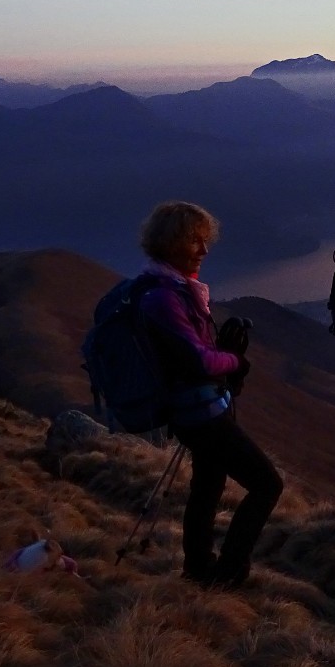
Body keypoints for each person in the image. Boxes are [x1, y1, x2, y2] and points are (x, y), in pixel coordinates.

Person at [136, 200, 282, 588]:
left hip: (197, 408)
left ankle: (199, 569)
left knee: (208, 486)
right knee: (267, 484)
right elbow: (198, 361)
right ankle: (230, 575)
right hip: (199, 413)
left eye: (205, 241)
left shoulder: (176, 290)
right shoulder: (165, 297)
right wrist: (234, 361)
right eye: (195, 241)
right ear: (170, 243)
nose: (204, 250)